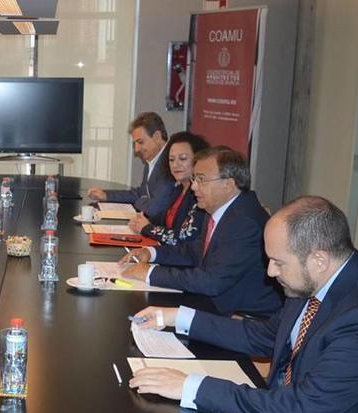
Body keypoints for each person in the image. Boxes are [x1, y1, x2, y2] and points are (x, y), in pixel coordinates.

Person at [129, 196, 358, 413]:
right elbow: (266, 336)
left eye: (278, 262)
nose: (270, 272)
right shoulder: (315, 280)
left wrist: (190, 386)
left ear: (319, 259)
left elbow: (301, 411)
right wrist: (177, 317)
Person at [119, 146, 282, 317]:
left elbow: (211, 281)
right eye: (194, 179)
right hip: (216, 303)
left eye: (201, 180)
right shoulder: (220, 209)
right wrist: (151, 253)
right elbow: (194, 251)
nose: (193, 187)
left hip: (242, 317)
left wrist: (150, 272)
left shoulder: (244, 222)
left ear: (228, 184)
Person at [86, 112, 175, 220]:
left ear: (156, 136)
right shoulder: (152, 159)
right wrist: (106, 195)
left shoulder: (171, 163)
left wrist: (139, 201)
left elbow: (154, 210)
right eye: (135, 144)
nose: (136, 149)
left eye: (140, 142)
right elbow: (141, 193)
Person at [128, 131, 210, 245]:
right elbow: (160, 220)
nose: (175, 165)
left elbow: (183, 238)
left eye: (182, 158)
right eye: (171, 160)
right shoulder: (177, 188)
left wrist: (147, 228)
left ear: (198, 160)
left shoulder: (200, 195)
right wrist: (140, 221)